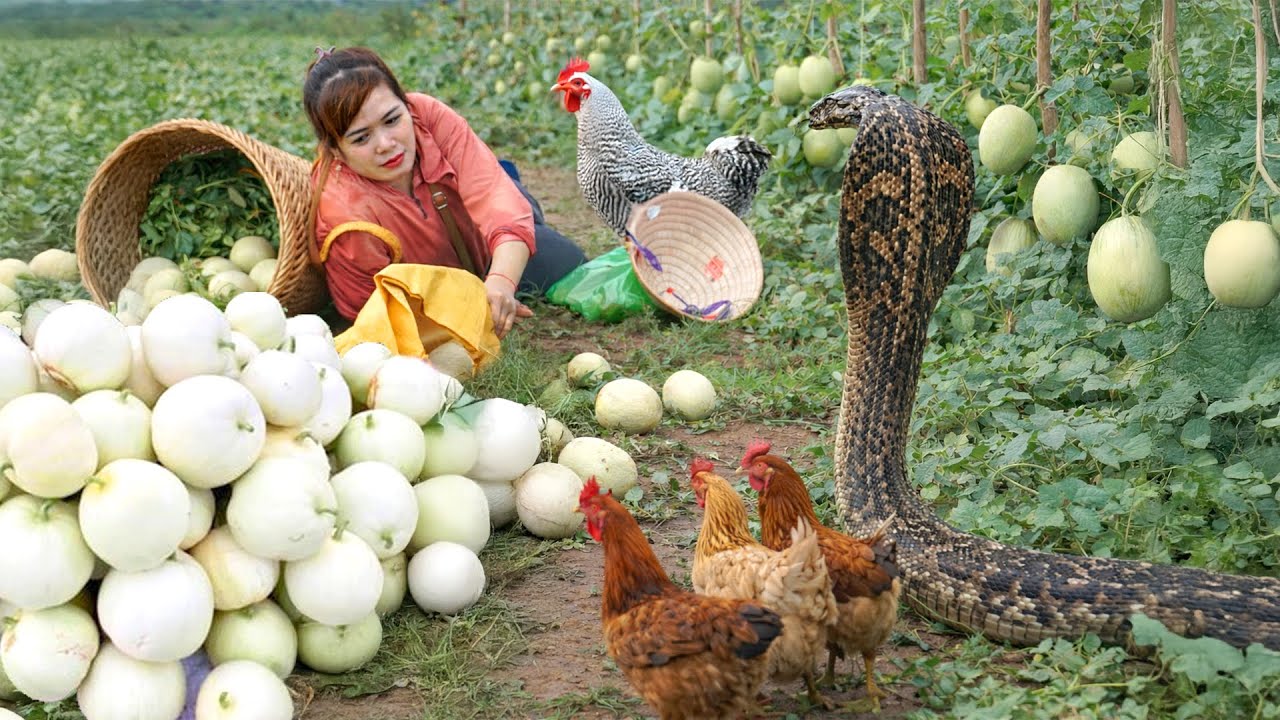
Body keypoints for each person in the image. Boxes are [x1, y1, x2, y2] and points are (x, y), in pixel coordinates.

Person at [302, 46, 585, 338]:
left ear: (406, 106)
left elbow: (494, 196)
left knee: (563, 254)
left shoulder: (426, 113)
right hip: (442, 294)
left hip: (480, 240)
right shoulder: (347, 219)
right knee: (529, 232)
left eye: (392, 120)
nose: (385, 144)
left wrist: (500, 282)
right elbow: (376, 318)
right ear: (335, 151)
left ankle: (516, 204)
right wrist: (468, 311)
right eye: (361, 138)